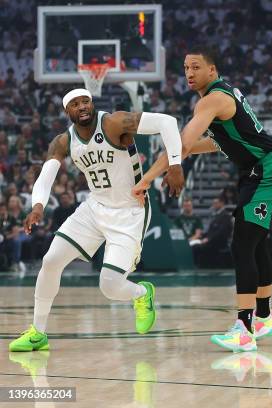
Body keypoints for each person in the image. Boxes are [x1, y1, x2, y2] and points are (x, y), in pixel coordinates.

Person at [132, 46, 272, 352]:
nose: (189, 73)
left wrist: (154, 175)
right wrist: (161, 169)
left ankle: (245, 328)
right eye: (185, 68)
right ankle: (265, 316)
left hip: (266, 171)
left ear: (212, 71)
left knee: (243, 243)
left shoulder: (214, 99)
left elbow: (183, 142)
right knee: (254, 242)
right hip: (260, 169)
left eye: (195, 67)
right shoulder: (218, 98)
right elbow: (207, 144)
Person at [9, 88, 185, 352]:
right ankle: (38, 333)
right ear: (66, 111)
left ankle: (142, 293)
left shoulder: (114, 123)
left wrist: (175, 164)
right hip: (94, 208)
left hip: (130, 212)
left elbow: (167, 122)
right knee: (51, 260)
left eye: (86, 101)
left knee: (110, 286)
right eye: (75, 104)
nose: (82, 107)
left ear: (92, 104)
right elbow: (46, 175)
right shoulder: (62, 141)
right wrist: (37, 206)